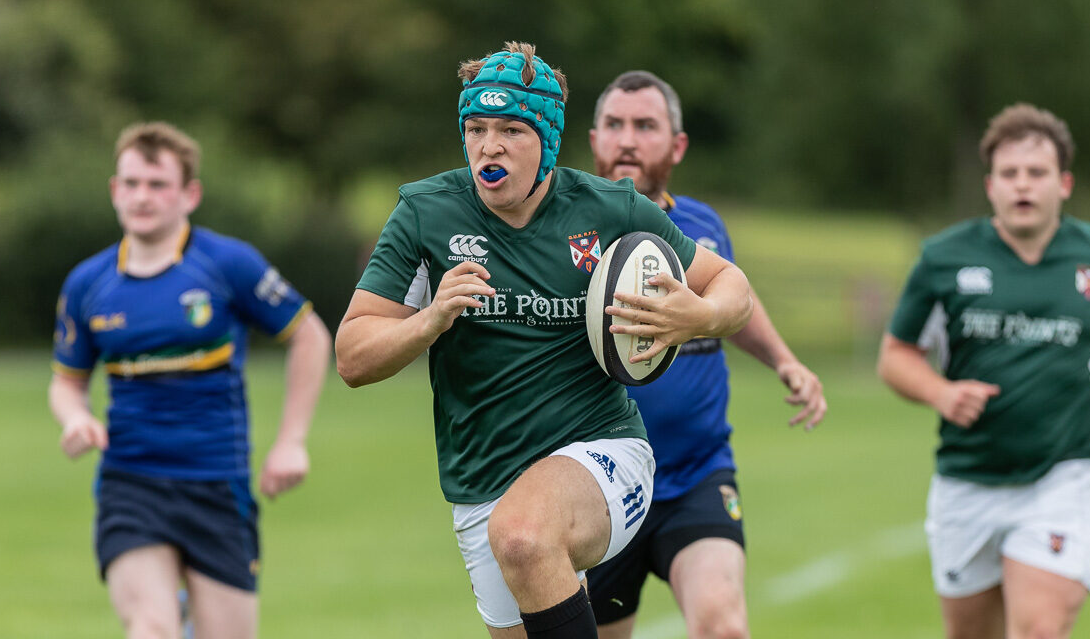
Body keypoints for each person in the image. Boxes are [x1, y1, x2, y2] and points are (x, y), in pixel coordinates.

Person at [335, 42, 754, 639]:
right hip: (479, 481)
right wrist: (427, 322)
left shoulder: (610, 208)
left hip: (604, 454)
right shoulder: (425, 215)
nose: (490, 146)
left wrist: (697, 316)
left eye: (511, 129)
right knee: (517, 543)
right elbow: (352, 356)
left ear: (549, 139)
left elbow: (731, 285)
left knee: (525, 534)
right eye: (476, 128)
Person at [877, 103, 1090, 639]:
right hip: (966, 480)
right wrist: (941, 393)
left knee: (1039, 630)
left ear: (1064, 183)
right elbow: (895, 355)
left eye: (1037, 173)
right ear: (990, 185)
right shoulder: (943, 260)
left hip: (1060, 478)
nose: (1023, 185)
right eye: (1010, 174)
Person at [49, 122, 331, 639]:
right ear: (115, 190)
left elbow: (310, 336)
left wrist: (291, 442)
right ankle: (168, 614)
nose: (142, 196)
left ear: (189, 194)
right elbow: (66, 381)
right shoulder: (88, 283)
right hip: (130, 483)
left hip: (216, 484)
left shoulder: (227, 264)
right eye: (131, 183)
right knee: (151, 627)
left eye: (158, 184)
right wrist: (76, 417)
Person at [583, 70, 827, 639]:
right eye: (615, 125)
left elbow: (735, 301)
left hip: (696, 476)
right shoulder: (567, 231)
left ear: (677, 145)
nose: (628, 140)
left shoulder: (703, 228)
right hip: (597, 484)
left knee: (723, 626)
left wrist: (785, 361)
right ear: (594, 139)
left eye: (646, 126)